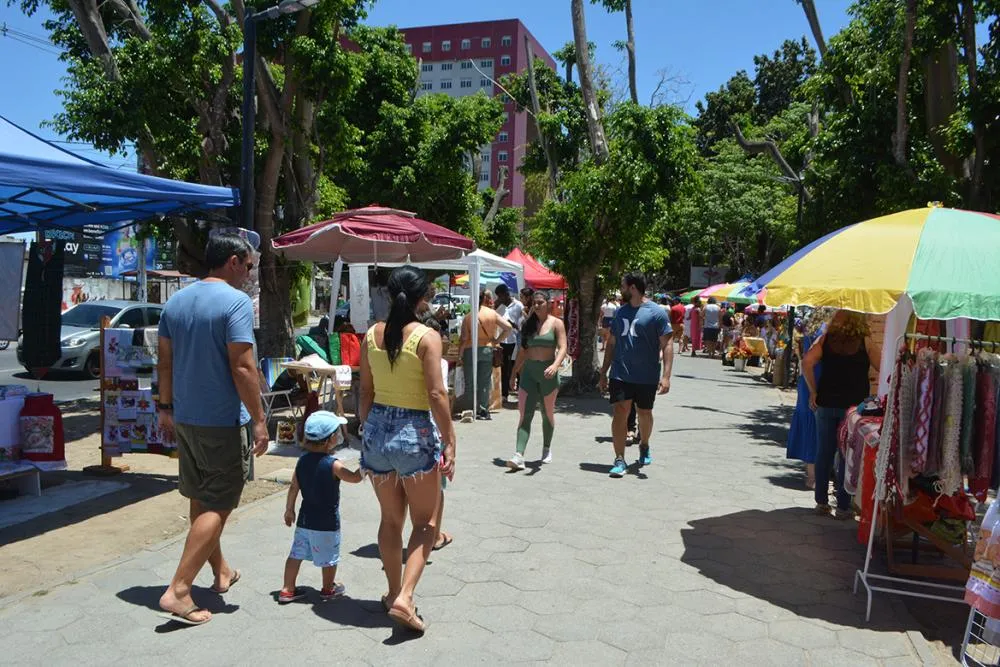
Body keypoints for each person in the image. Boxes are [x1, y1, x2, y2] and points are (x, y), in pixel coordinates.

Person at [156, 234, 268, 626]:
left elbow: (164, 364)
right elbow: (243, 367)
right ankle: (180, 589)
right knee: (220, 502)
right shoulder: (235, 303)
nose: (250, 274)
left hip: (185, 417)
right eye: (250, 266)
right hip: (220, 420)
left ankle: (220, 571)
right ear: (234, 261)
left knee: (201, 497)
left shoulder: (176, 301)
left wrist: (165, 408)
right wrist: (258, 419)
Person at [359, 266, 457, 633]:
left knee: (389, 520)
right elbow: (436, 394)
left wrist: (365, 428)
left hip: (377, 431)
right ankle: (406, 597)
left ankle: (391, 591)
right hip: (414, 431)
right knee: (425, 523)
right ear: (421, 298)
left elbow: (365, 391)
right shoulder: (428, 337)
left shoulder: (371, 335)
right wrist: (450, 439)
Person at [802, 310, 880, 519]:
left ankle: (821, 502)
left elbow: (806, 362)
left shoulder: (825, 339)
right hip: (853, 410)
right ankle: (844, 506)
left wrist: (813, 391)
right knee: (848, 454)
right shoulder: (865, 342)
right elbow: (883, 366)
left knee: (824, 453)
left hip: (826, 402)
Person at [279, 411, 362, 604]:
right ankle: (328, 588)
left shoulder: (301, 462)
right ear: (330, 440)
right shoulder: (333, 464)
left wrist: (289, 509)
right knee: (329, 558)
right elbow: (354, 478)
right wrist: (366, 466)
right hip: (327, 522)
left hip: (304, 520)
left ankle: (287, 589)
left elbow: (294, 487)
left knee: (295, 554)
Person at [599, 272, 674, 478]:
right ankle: (619, 458)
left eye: (623, 285)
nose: (621, 289)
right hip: (621, 373)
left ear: (632, 288)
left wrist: (666, 376)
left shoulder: (656, 313)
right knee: (620, 412)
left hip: (647, 375)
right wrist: (603, 372)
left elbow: (667, 343)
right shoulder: (620, 312)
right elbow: (612, 343)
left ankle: (645, 444)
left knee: (644, 413)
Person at [506, 291, 568, 470]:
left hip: (548, 373)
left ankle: (547, 447)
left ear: (548, 303)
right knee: (525, 413)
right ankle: (519, 455)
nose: (537, 305)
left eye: (540, 302)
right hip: (529, 373)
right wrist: (513, 374)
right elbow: (523, 352)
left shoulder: (557, 323)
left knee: (547, 413)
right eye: (535, 303)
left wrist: (556, 365)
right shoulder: (527, 324)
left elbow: (563, 347)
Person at [416, 287, 453, 552]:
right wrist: (450, 435)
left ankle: (427, 532)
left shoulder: (410, 354)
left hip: (409, 425)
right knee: (436, 487)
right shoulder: (439, 361)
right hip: (432, 428)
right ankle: (433, 534)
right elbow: (439, 394)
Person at [458, 289, 512, 420]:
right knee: (484, 381)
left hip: (470, 349)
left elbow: (464, 338)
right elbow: (508, 327)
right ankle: (483, 410)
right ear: (483, 299)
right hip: (487, 348)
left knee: (470, 382)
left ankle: (471, 409)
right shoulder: (492, 313)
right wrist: (497, 340)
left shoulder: (469, 316)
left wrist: (460, 354)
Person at [786, 315, 826, 488]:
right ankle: (812, 476)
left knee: (809, 420)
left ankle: (809, 471)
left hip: (808, 380)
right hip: (816, 379)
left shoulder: (811, 323)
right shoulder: (825, 329)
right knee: (815, 424)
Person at [494, 284, 524, 403]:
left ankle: (521, 393)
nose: (499, 299)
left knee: (517, 367)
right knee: (504, 368)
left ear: (506, 294)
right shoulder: (498, 306)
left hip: (514, 341)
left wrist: (512, 324)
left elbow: (522, 326)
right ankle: (504, 394)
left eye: (500, 296)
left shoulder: (518, 306)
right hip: (501, 341)